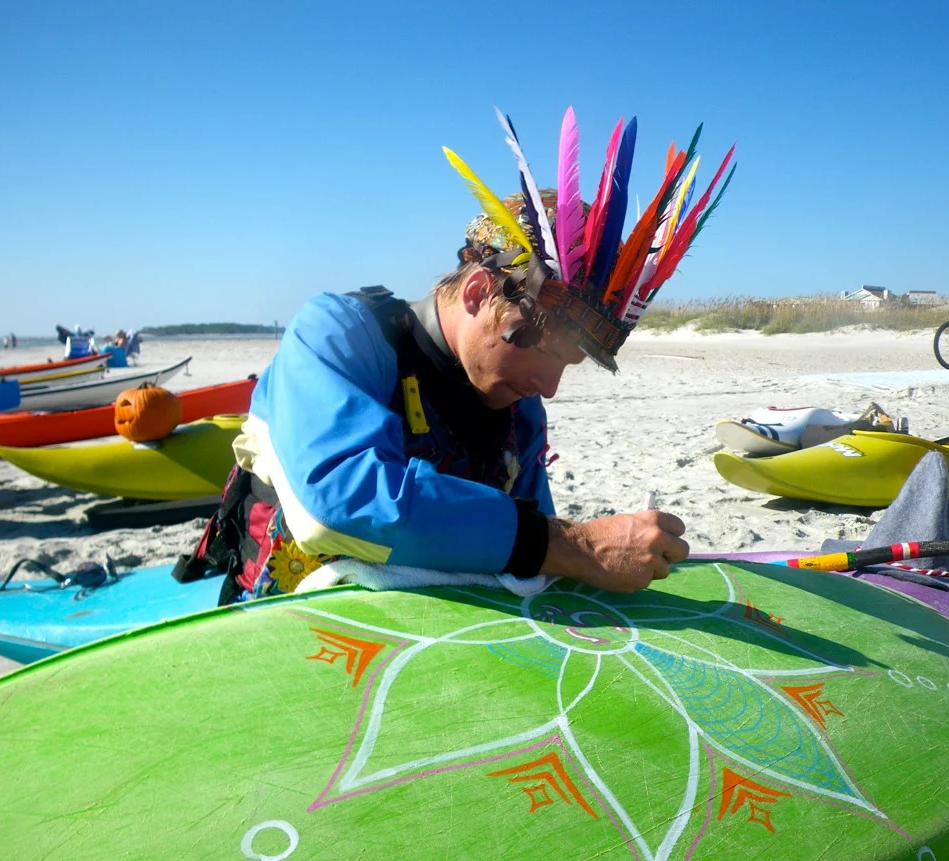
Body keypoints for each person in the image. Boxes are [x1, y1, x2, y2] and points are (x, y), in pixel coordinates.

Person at [177, 107, 736, 604]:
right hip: (279, 623)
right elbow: (336, 503)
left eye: (569, 366)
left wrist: (569, 547)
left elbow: (534, 542)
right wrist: (579, 544)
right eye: (544, 352)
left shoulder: (521, 411)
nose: (549, 388)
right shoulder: (338, 334)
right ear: (477, 293)